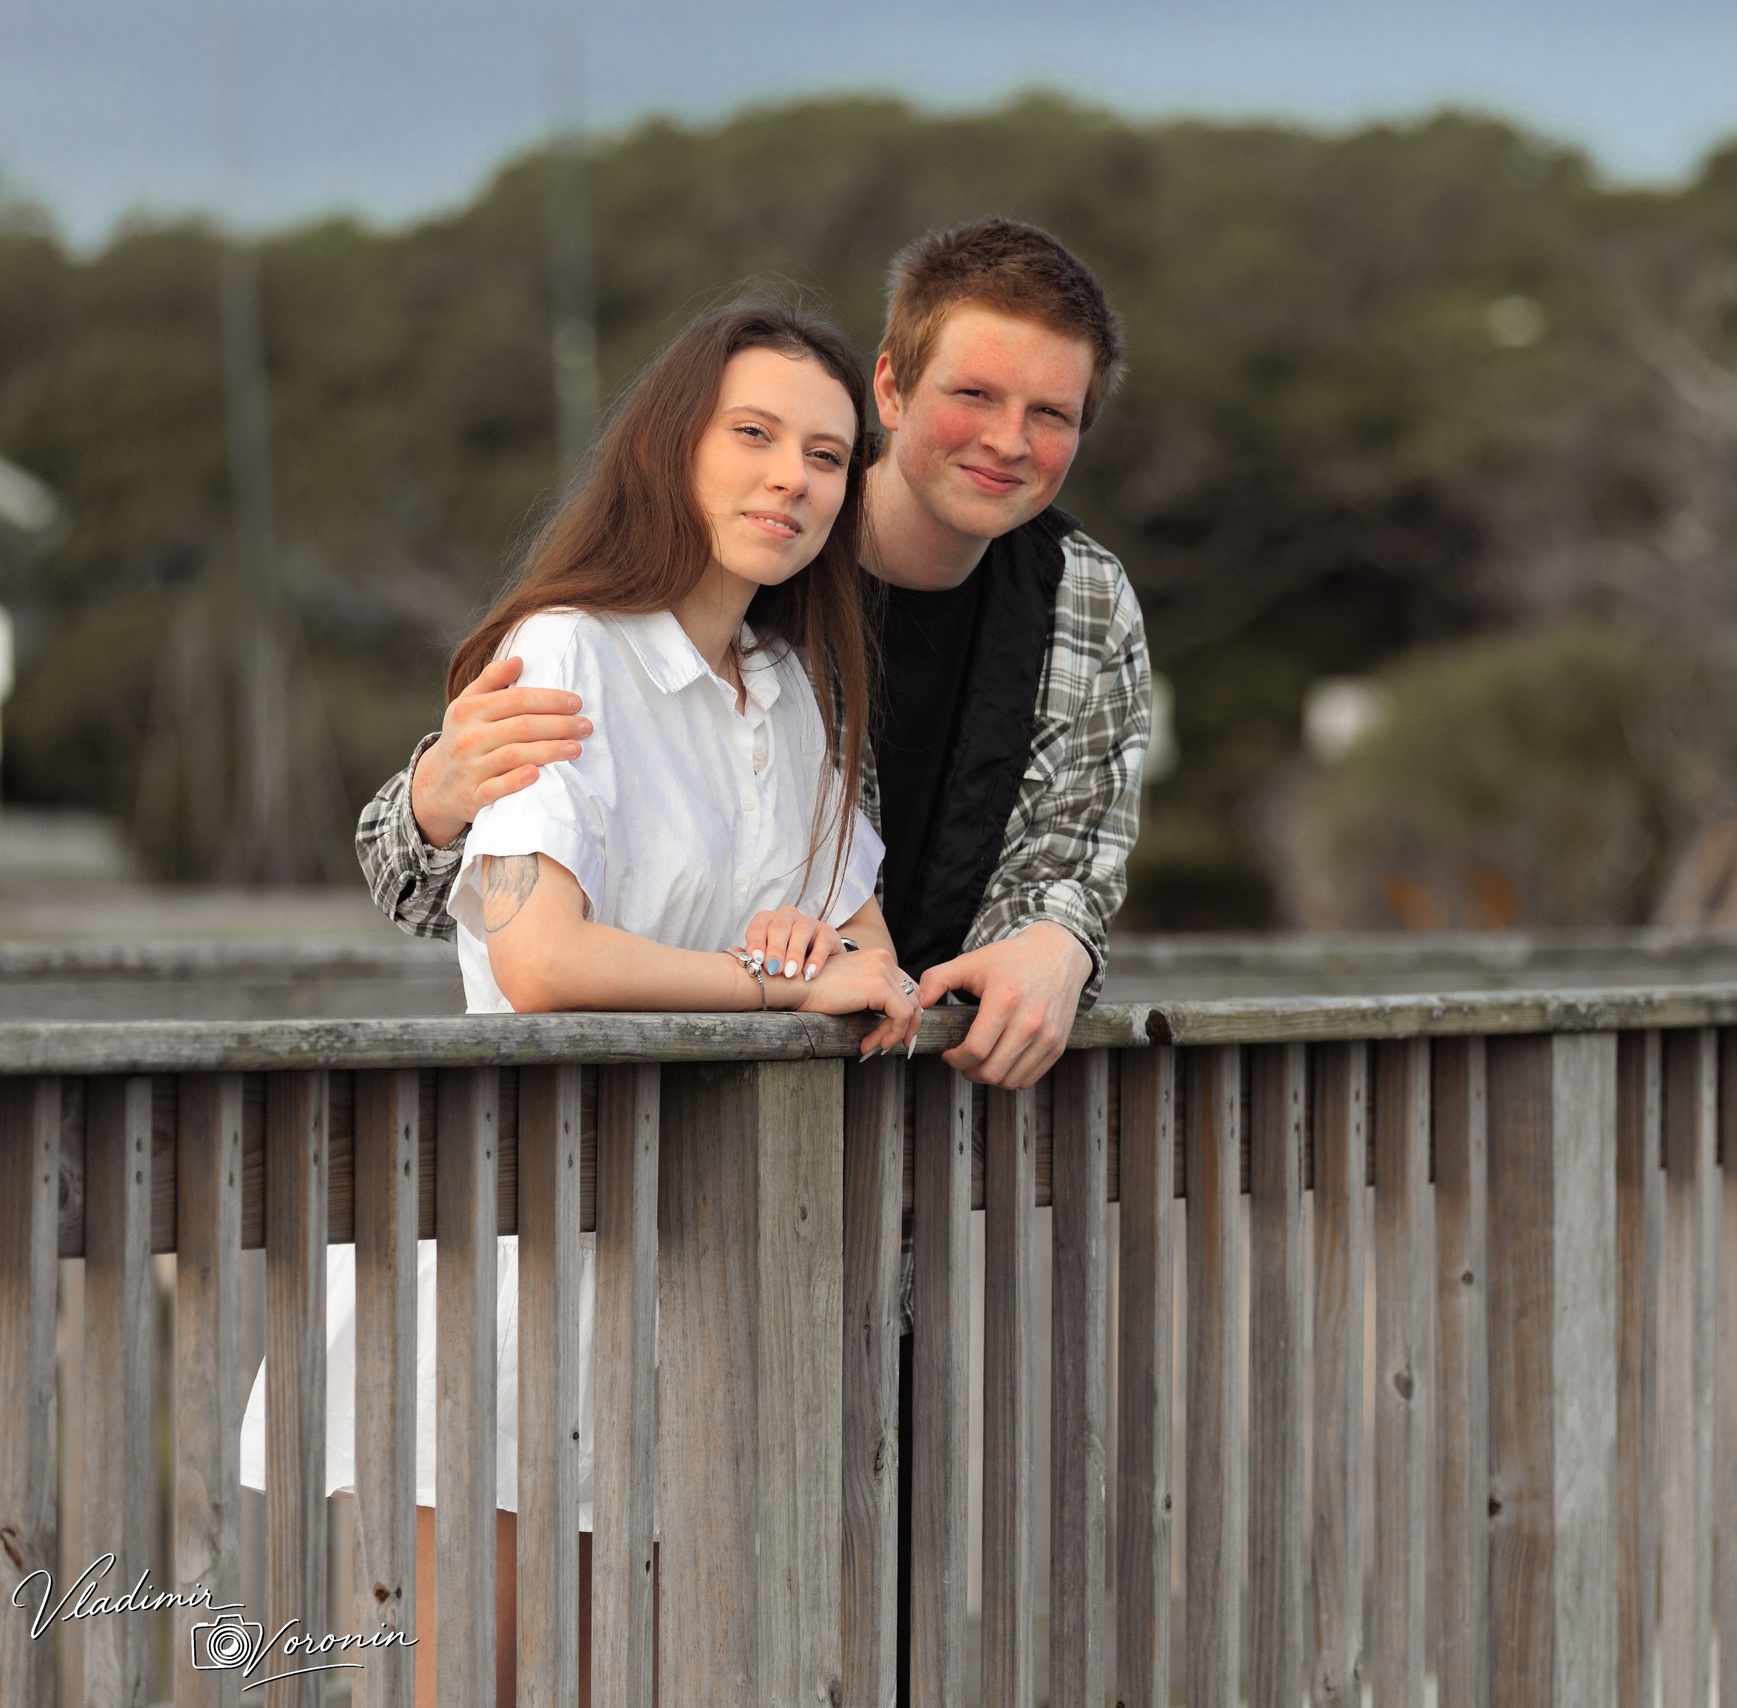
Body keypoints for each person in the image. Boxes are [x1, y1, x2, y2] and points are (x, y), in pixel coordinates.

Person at [247, 293, 924, 1706]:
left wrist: (817, 956)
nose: (791, 479)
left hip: (697, 1272)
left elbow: (871, 972)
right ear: (671, 445)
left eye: (826, 453)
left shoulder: (797, 692)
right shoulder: (565, 650)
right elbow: (540, 959)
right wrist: (772, 979)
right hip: (517, 1252)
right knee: (478, 1680)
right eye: (754, 435)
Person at [356, 218, 1151, 1091]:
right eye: (975, 394)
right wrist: (437, 806)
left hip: (914, 1108)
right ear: (893, 388)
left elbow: (1059, 863)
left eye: (1050, 414)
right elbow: (499, 928)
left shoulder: (1082, 600)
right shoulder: (742, 565)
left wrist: (1059, 939)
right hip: (664, 1127)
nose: (1007, 439)